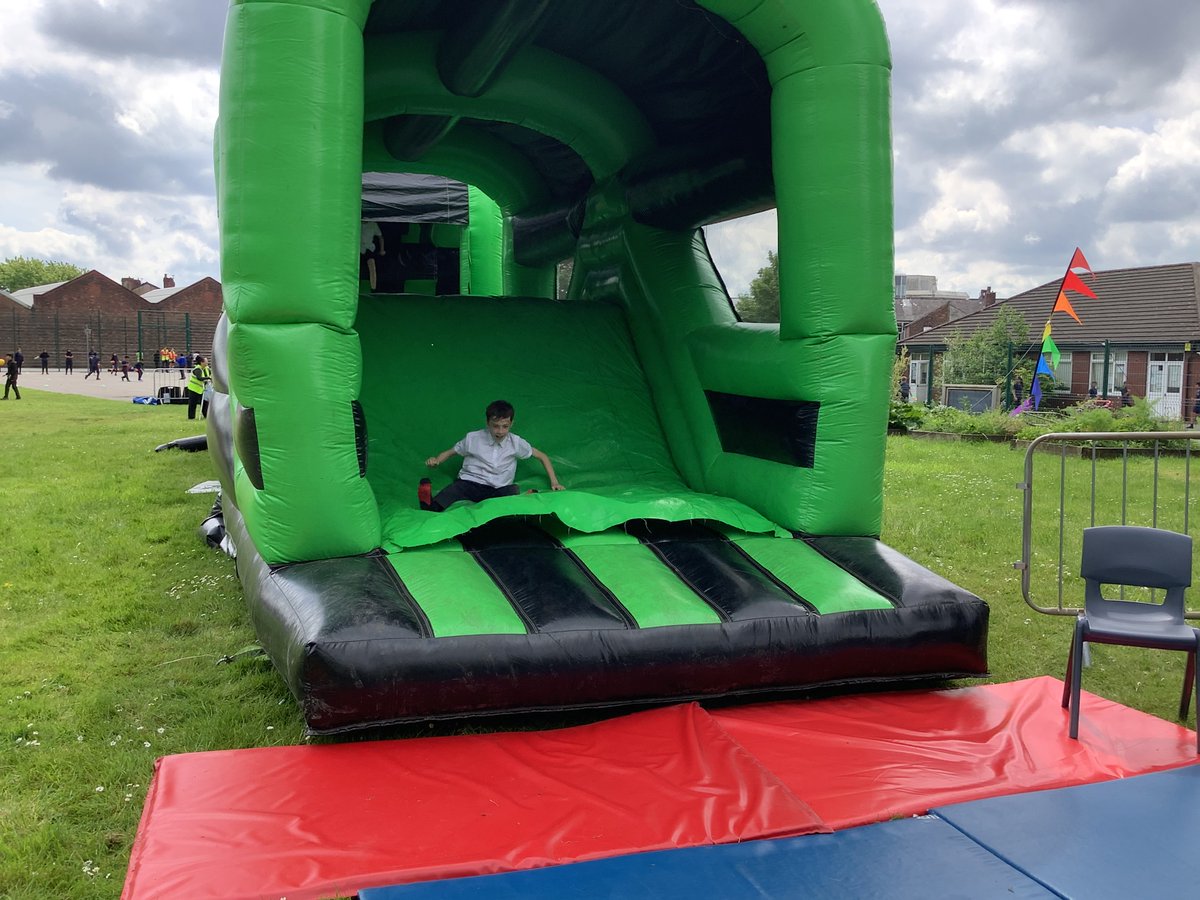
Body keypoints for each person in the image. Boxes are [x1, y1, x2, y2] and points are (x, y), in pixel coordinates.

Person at [421, 399, 563, 511]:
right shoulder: (473, 438)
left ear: (511, 424)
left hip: (497, 489)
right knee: (454, 489)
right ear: (487, 423)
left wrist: (554, 482)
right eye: (495, 426)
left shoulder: (516, 442)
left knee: (511, 490)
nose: (500, 431)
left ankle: (525, 500)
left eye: (505, 426)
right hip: (470, 483)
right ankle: (428, 504)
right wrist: (437, 461)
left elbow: (542, 456)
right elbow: (451, 452)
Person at [360, 219, 386, 291]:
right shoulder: (356, 223)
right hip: (358, 249)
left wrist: (382, 249)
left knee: (372, 266)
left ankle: (373, 288)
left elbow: (380, 237)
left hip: (369, 248)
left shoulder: (373, 224)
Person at [186, 355, 212, 419]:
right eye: (206, 361)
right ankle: (191, 417)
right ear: (201, 362)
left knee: (204, 403)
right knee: (192, 403)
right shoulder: (197, 369)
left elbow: (211, 374)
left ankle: (206, 415)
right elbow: (199, 378)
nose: (207, 363)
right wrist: (208, 378)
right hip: (194, 388)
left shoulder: (207, 369)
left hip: (202, 389)